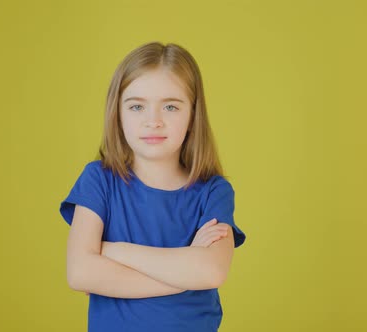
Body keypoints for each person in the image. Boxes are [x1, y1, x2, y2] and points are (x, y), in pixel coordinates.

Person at [59, 41, 246, 332]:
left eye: (170, 106)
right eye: (137, 106)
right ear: (118, 114)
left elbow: (209, 272)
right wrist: (183, 274)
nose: (153, 121)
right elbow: (80, 273)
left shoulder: (214, 191)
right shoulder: (99, 180)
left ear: (192, 116)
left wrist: (111, 251)